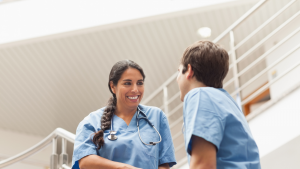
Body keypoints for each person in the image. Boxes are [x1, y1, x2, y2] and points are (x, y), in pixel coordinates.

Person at [72, 60, 176, 169]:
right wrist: (124, 168)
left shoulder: (157, 116)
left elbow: (164, 164)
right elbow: (84, 162)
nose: (135, 89)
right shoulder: (91, 121)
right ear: (113, 86)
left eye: (140, 83)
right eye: (127, 83)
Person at [176, 41, 261, 169]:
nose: (177, 78)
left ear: (189, 70)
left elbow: (202, 165)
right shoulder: (227, 102)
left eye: (178, 72)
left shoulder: (199, 95)